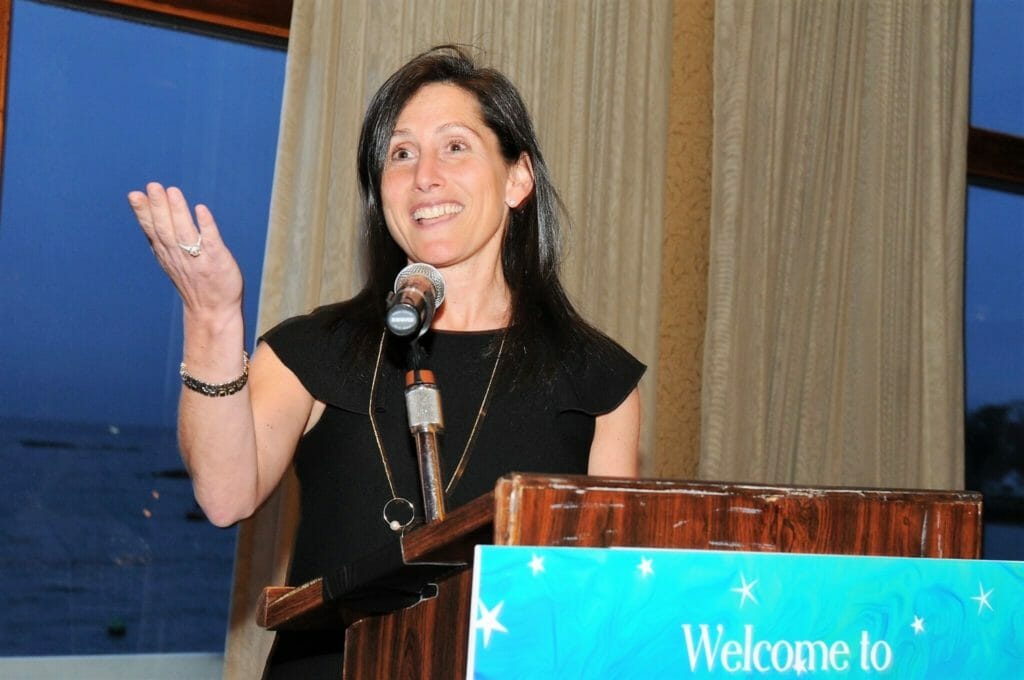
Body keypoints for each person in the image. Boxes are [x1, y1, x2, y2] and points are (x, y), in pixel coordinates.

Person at [128, 45, 644, 676]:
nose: (424, 175)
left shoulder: (599, 378)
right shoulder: (313, 348)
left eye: (455, 146)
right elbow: (224, 495)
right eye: (400, 153)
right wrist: (211, 319)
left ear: (518, 178)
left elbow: (605, 590)